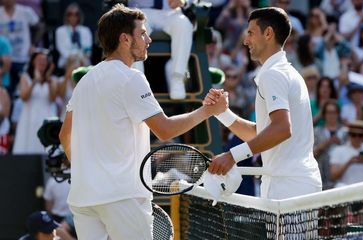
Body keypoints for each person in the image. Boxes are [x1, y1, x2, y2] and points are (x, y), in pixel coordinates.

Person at [58, 5, 227, 240]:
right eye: (143, 34)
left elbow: (65, 135)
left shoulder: (85, 80)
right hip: (121, 198)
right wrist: (208, 111)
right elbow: (165, 129)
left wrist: (85, 170)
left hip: (83, 197)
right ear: (125, 39)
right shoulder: (132, 78)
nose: (148, 39)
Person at [204, 7, 322, 200]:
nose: (245, 40)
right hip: (293, 184)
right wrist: (222, 113)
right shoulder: (284, 71)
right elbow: (263, 134)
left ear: (268, 34)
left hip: (288, 187)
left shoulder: (273, 74)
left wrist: (232, 156)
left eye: (250, 33)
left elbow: (282, 129)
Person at [128, 0, 193, 100]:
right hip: (138, 11)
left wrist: (183, 1)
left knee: (184, 25)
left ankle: (177, 78)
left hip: (170, 12)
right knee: (134, 28)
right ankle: (138, 84)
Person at [329, 120, 363, 187]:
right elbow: (333, 177)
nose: (357, 138)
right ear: (349, 134)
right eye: (353, 135)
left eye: (360, 135)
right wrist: (349, 162)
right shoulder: (338, 151)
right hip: (345, 190)